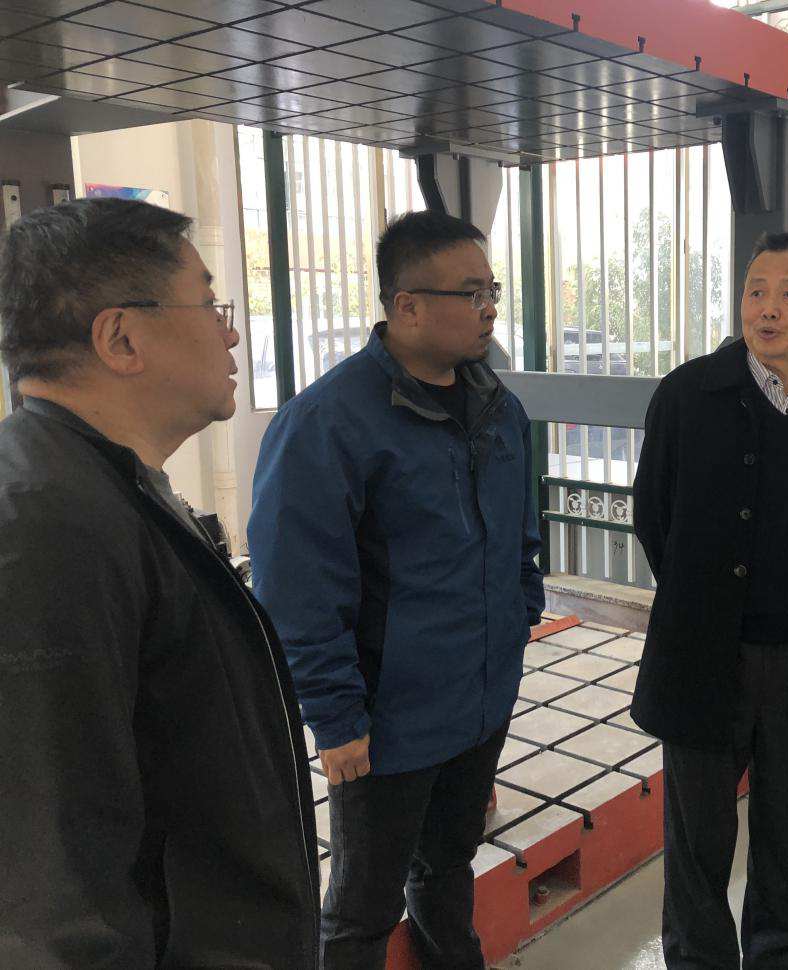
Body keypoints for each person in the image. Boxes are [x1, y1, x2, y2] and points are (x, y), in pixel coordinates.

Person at [0, 198, 319, 967]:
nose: (231, 333)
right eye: (209, 305)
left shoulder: (109, 490)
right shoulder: (44, 528)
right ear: (121, 338)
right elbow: (53, 895)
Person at [248, 211, 544, 969]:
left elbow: (521, 539)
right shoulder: (327, 423)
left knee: (448, 864)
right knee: (362, 907)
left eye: (492, 290)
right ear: (406, 305)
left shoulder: (499, 408)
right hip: (385, 723)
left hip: (480, 699)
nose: (489, 308)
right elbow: (298, 588)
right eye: (471, 292)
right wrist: (335, 717)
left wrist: (517, 624)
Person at [632, 231, 788, 970]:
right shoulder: (688, 393)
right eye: (755, 291)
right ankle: (697, 958)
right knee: (698, 834)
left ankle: (776, 951)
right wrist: (704, 602)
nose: (767, 308)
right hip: (706, 651)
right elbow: (654, 514)